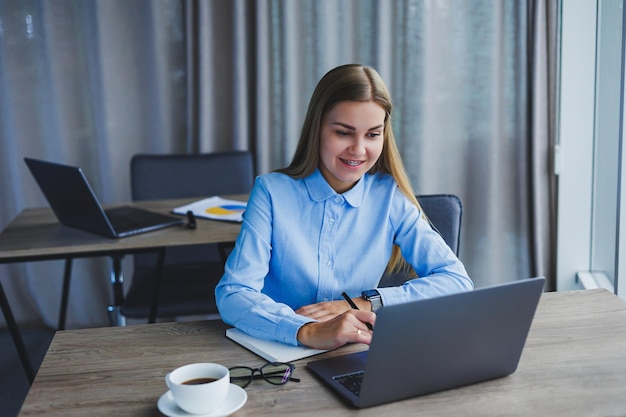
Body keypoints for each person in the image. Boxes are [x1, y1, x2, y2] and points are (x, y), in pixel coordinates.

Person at [215, 64, 473, 351]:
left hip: (358, 348)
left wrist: (364, 303)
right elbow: (234, 293)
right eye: (343, 133)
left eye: (373, 134)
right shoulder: (272, 192)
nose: (359, 149)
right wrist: (307, 331)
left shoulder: (390, 198)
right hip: (281, 350)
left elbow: (457, 281)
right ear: (318, 129)